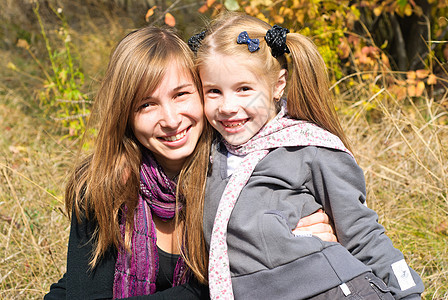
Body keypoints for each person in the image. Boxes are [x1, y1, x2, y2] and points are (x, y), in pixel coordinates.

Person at [44, 25, 336, 299]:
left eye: (181, 95)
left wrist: (289, 249)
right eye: (146, 105)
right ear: (125, 115)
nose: (170, 121)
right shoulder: (104, 184)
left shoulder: (243, 173)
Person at [189, 12, 425, 299]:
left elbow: (362, 233)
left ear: (278, 85)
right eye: (213, 91)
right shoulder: (209, 154)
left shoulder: (308, 147)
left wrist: (409, 292)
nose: (227, 106)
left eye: (244, 89)